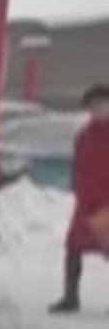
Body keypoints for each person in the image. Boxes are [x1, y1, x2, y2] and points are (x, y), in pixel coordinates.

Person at [52, 84, 109, 314]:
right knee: (73, 247)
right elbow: (78, 166)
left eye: (102, 105)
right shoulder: (84, 136)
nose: (97, 110)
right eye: (93, 106)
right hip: (86, 203)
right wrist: (76, 186)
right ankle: (70, 297)